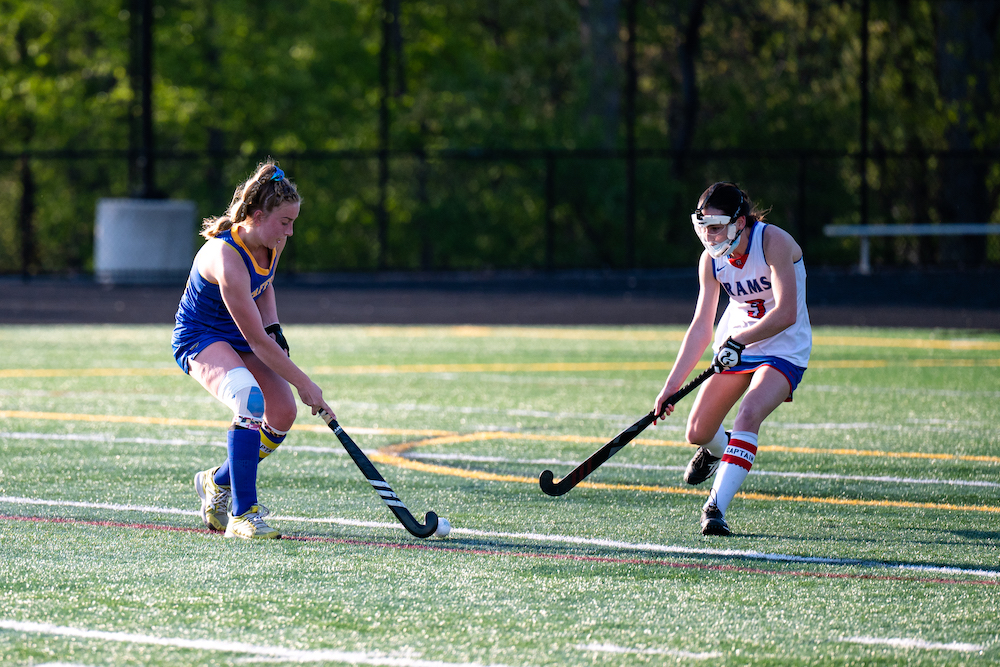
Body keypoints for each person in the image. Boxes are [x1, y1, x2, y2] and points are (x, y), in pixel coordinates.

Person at [172, 159, 334, 540]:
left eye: (293, 222)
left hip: (242, 336)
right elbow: (258, 341)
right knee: (249, 398)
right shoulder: (225, 256)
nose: (290, 232)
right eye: (284, 223)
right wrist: (305, 382)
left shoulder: (270, 241)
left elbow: (265, 288)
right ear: (258, 215)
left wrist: (275, 325)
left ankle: (217, 481)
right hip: (202, 337)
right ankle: (244, 514)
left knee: (282, 413)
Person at [653, 182, 811, 536]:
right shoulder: (710, 260)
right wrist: (670, 387)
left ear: (739, 223)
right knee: (697, 432)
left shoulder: (774, 243)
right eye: (703, 226)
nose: (709, 235)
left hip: (783, 346)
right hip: (737, 345)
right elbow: (700, 328)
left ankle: (715, 507)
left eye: (717, 226)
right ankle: (718, 452)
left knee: (749, 412)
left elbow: (786, 313)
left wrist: (739, 340)